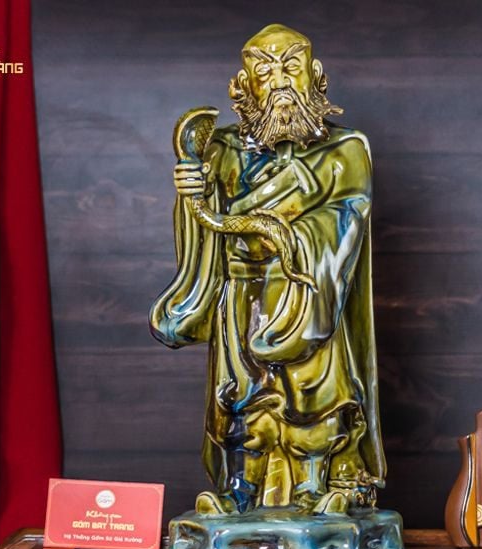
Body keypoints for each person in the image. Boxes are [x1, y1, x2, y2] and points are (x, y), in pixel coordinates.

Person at [150, 24, 386, 516]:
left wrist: (291, 237)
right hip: (243, 292)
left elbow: (347, 217)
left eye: (290, 67)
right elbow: (207, 223)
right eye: (265, 71)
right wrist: (192, 194)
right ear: (243, 86)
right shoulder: (223, 149)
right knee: (241, 393)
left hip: (308, 288)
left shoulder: (345, 150)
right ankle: (240, 490)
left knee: (312, 391)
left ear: (315, 76)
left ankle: (313, 487)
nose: (279, 81)